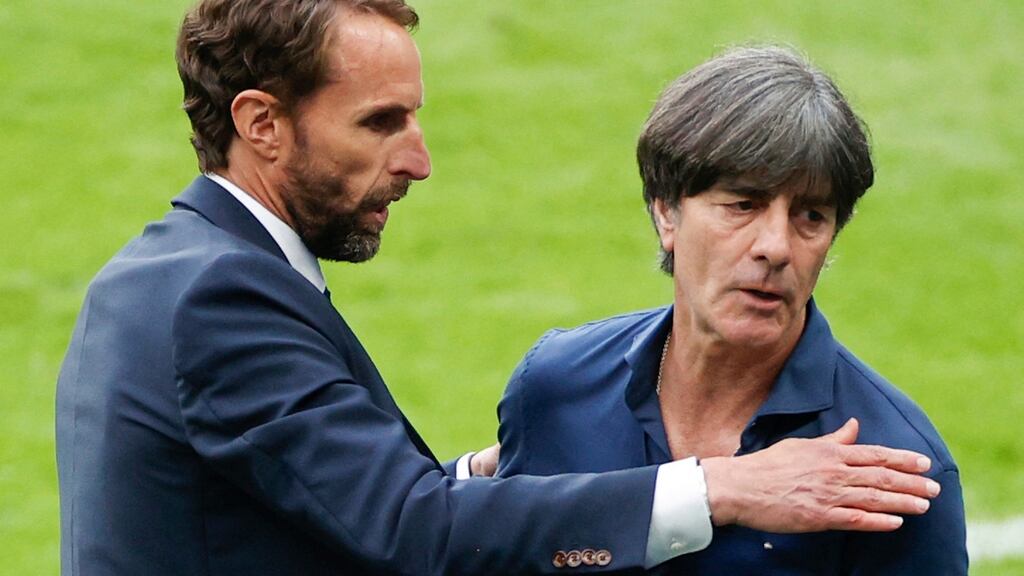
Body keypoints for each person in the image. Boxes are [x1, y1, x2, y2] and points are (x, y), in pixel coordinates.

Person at [55, 3, 940, 574]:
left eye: (812, 217)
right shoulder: (221, 302)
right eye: (381, 122)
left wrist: (498, 470)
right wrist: (723, 487)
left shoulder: (163, 274)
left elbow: (332, 504)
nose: (419, 160)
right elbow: (411, 533)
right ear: (262, 125)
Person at [496, 46, 968, 574]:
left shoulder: (890, 469)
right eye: (743, 205)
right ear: (666, 213)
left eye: (811, 216)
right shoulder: (556, 387)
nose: (776, 246)